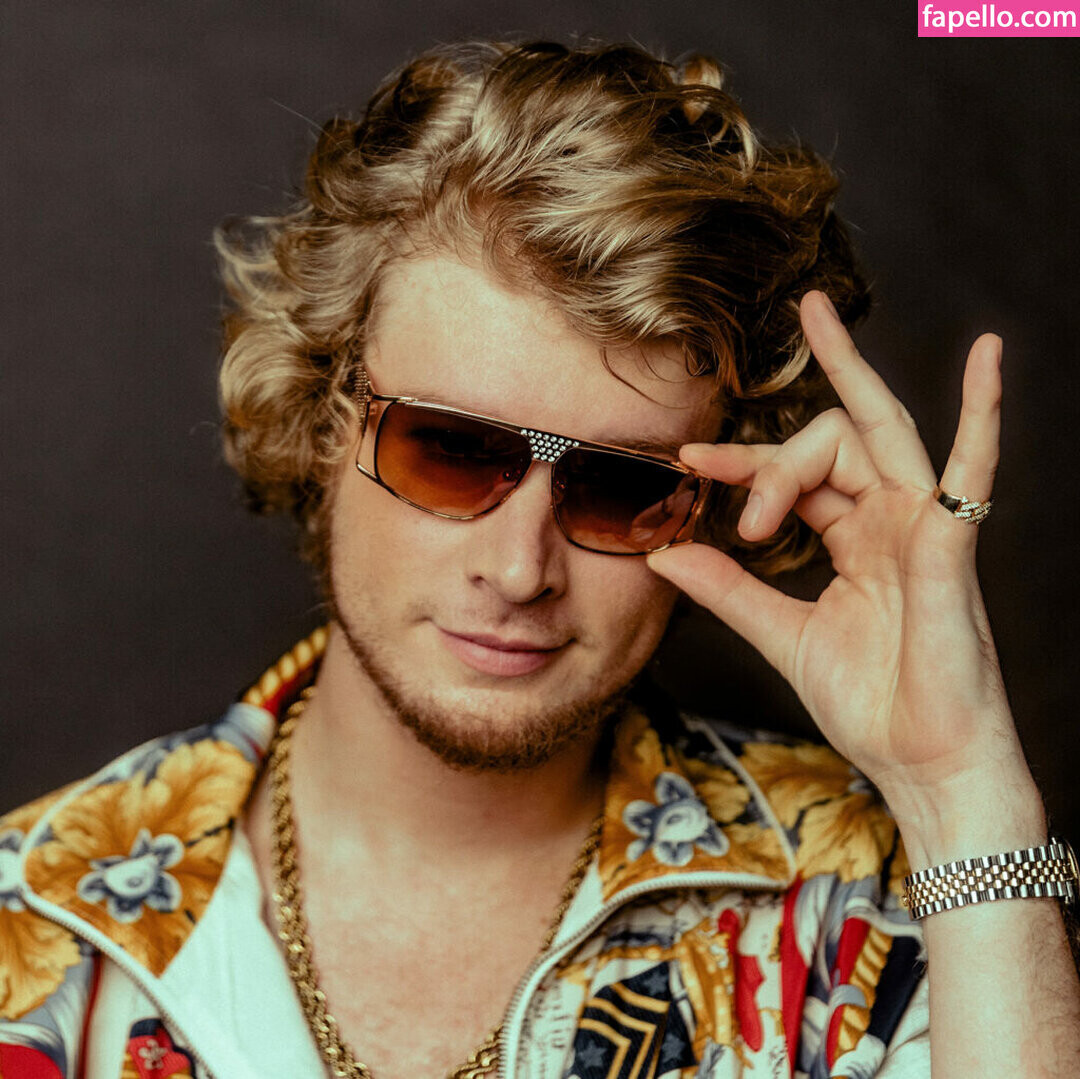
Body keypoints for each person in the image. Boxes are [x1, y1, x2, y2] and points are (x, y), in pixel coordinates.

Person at [1, 39, 1077, 1079]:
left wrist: (959, 789)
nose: (521, 570)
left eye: (619, 486)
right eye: (452, 450)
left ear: (710, 504)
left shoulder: (870, 900)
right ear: (328, 422)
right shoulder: (35, 921)